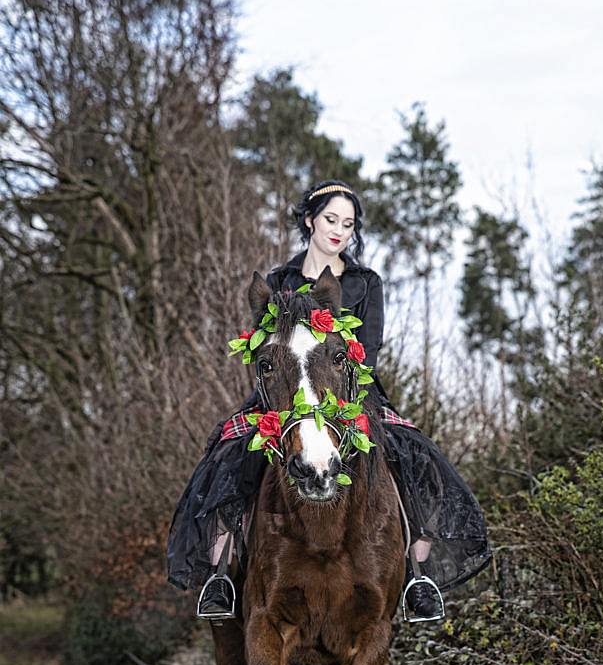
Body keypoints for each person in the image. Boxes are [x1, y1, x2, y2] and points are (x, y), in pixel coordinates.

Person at [167, 180, 492, 621]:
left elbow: (369, 351)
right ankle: (222, 575)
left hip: (350, 389)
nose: (339, 230)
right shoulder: (280, 280)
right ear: (310, 221)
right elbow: (268, 346)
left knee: (413, 457)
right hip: (285, 391)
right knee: (228, 452)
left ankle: (417, 575)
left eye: (348, 223)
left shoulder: (365, 282)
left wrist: (338, 394)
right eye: (330, 220)